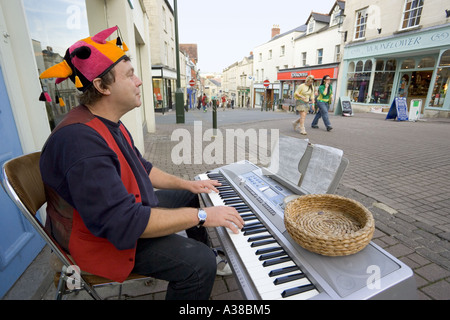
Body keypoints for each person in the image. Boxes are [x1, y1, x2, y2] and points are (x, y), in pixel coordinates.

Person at [38, 26, 244, 300]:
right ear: (101, 86)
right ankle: (206, 261)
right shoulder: (80, 142)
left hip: (120, 215)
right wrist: (204, 217)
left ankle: (209, 253)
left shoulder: (107, 123)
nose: (139, 81)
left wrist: (190, 184)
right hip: (99, 240)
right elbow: (122, 223)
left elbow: (143, 168)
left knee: (189, 196)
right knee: (198, 264)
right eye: (129, 75)